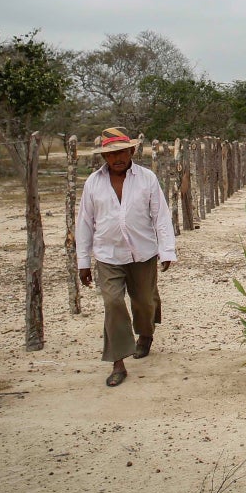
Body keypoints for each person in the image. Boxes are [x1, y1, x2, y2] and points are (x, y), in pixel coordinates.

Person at [75, 127, 177, 387]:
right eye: (110, 154)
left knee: (144, 300)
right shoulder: (93, 183)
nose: (117, 158)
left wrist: (166, 250)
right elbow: (85, 223)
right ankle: (118, 361)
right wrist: (83, 262)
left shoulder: (147, 179)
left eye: (121, 152)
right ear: (103, 158)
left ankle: (145, 334)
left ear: (132, 151)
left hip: (143, 252)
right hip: (108, 255)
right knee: (112, 303)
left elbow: (161, 217)